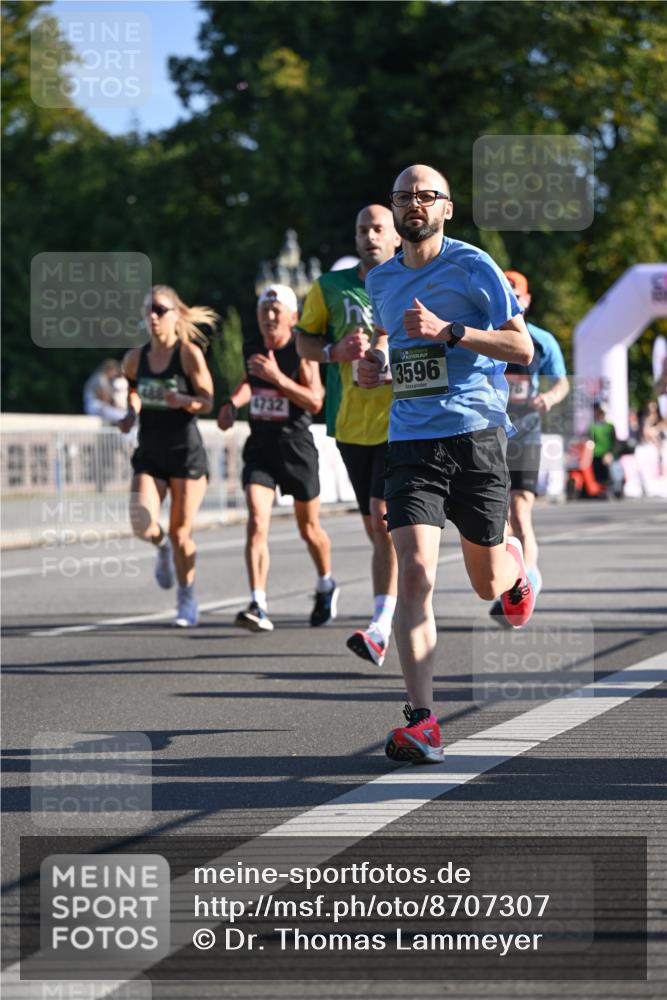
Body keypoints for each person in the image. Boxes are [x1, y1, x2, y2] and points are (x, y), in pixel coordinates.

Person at [358, 163, 536, 764]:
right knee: (415, 574)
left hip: (475, 437)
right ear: (394, 205)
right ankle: (423, 722)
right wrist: (374, 366)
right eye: (405, 195)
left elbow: (522, 347)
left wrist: (451, 331)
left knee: (487, 582)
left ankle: (514, 568)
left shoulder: (472, 266)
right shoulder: (380, 280)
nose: (415, 204)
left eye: (427, 196)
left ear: (446, 208)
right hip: (410, 443)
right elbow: (390, 345)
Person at [296, 205, 401, 666]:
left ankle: (381, 625)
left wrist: (393, 366)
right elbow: (303, 341)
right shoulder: (330, 288)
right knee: (375, 527)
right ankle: (399, 601)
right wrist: (335, 350)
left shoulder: (413, 280)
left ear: (396, 237)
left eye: (379, 228)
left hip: (403, 421)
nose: (370, 236)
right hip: (350, 424)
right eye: (363, 229)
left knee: (383, 520)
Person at [217, 284, 337, 632]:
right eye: (263, 312)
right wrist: (231, 404)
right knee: (256, 521)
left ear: (293, 318)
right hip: (261, 448)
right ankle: (258, 602)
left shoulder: (301, 350)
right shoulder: (252, 346)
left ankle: (326, 583)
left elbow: (315, 401)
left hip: (296, 448)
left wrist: (278, 378)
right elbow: (248, 381)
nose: (268, 318)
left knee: (309, 529)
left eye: (276, 312)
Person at [118, 285, 217, 627]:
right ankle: (160, 549)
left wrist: (185, 401)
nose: (153, 317)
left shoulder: (187, 354)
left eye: (160, 310)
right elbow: (132, 388)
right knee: (141, 522)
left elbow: (207, 400)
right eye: (148, 311)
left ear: (176, 315)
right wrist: (131, 412)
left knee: (181, 532)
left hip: (185, 453)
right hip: (150, 451)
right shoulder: (135, 357)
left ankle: (187, 593)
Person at [488, 270, 569, 620]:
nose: (512, 299)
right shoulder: (487, 336)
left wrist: (549, 398)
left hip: (527, 433)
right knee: (498, 518)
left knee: (520, 511)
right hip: (490, 435)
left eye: (516, 294)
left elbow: (562, 383)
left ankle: (529, 579)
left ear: (527, 299)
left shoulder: (541, 340)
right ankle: (513, 581)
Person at [589, 401, 624, 496]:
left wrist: (610, 454)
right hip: (596, 456)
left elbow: (616, 443)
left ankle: (617, 490)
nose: (600, 414)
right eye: (598, 412)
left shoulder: (610, 426)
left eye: (602, 412)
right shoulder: (592, 426)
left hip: (608, 455)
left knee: (615, 469)